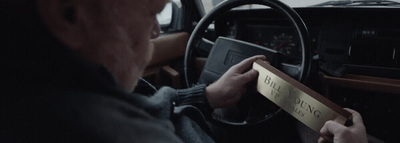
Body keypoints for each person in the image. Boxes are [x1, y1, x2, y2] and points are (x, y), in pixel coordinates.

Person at [0, 0, 367, 142]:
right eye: (149, 12)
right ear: (67, 13)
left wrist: (205, 96)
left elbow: (140, 102)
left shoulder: (46, 91)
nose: (157, 31)